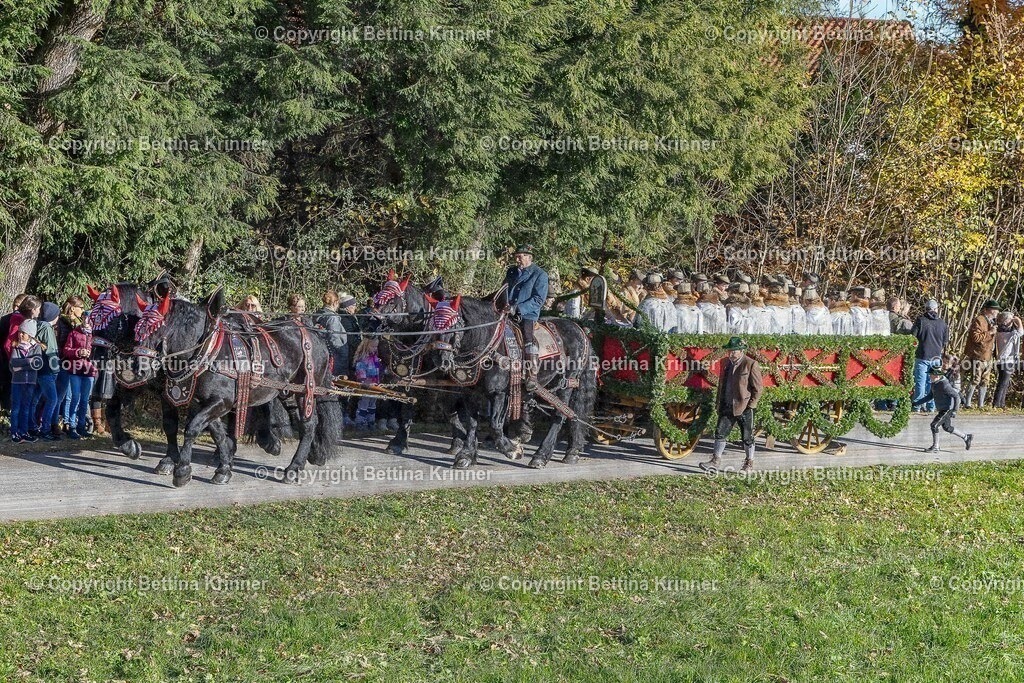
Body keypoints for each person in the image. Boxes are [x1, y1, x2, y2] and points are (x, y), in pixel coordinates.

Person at [700, 336, 763, 473]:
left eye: (734, 351)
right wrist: (720, 402)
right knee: (720, 433)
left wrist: (751, 405)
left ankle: (749, 463)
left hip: (744, 407)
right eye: (729, 351)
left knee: (747, 437)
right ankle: (715, 461)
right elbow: (722, 384)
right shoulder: (725, 363)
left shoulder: (750, 364)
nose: (731, 354)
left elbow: (758, 388)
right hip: (727, 404)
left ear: (741, 351)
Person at [504, 244, 549, 391]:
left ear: (529, 257)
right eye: (516, 257)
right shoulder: (511, 271)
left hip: (527, 314)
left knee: (527, 337)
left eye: (520, 257)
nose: (517, 260)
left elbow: (538, 299)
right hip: (506, 310)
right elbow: (503, 290)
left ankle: (531, 374)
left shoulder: (540, 274)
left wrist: (518, 308)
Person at [912, 354, 973, 452]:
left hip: (948, 409)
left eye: (931, 375)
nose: (929, 377)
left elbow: (956, 396)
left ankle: (936, 447)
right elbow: (930, 396)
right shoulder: (934, 383)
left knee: (934, 425)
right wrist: (916, 403)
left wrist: (954, 411)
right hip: (942, 408)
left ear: (937, 375)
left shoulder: (944, 385)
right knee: (947, 427)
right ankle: (966, 437)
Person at [910, 299, 949, 413]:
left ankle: (917, 406)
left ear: (925, 309)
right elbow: (945, 341)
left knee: (920, 382)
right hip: (936, 357)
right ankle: (931, 407)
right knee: (934, 383)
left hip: (922, 356)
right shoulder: (942, 323)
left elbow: (912, 337)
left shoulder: (920, 321)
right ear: (936, 309)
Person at [62, 315, 97, 439]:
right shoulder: (74, 333)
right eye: (84, 318)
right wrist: (78, 352)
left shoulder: (95, 335)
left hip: (89, 370)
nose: (86, 321)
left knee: (85, 400)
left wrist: (91, 354)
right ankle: (71, 426)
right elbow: (66, 350)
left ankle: (81, 426)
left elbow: (100, 352)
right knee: (75, 398)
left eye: (89, 319)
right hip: (75, 370)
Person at [9, 319, 43, 442]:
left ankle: (24, 431)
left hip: (30, 382)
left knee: (26, 407)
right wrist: (29, 361)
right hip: (17, 382)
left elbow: (38, 364)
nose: (20, 335)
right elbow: (13, 363)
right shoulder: (16, 347)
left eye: (23, 333)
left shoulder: (36, 348)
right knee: (16, 407)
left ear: (30, 335)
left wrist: (21, 367)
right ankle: (14, 432)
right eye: (20, 332)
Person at [962, 299, 1000, 409]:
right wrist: (990, 332)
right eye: (995, 310)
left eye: (997, 310)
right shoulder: (979, 320)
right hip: (978, 355)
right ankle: (968, 404)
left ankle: (981, 405)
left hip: (988, 356)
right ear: (987, 310)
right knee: (975, 379)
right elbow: (976, 337)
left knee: (985, 381)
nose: (997, 312)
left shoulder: (992, 321)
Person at [35, 302, 63, 440]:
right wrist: (55, 368)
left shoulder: (39, 325)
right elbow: (51, 350)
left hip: (39, 368)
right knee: (52, 399)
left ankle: (32, 426)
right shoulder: (47, 328)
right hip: (47, 368)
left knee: (36, 399)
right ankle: (45, 429)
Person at [0, 293, 29, 412]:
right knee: (8, 386)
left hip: (13, 357)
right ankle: (6, 410)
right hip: (7, 357)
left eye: (18, 306)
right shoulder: (8, 319)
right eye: (15, 306)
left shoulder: (24, 321)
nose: (16, 309)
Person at [316, 290, 349, 380]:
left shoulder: (317, 315)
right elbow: (334, 340)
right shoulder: (332, 318)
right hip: (335, 359)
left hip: (321, 355)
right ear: (335, 303)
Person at [993, 310, 1023, 409]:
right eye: (1010, 319)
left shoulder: (1001, 331)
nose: (1012, 321)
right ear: (1005, 321)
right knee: (1003, 383)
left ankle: (1001, 404)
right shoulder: (1005, 333)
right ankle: (996, 403)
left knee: (1004, 383)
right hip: (1006, 361)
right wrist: (1019, 321)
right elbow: (1021, 332)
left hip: (1004, 361)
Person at [353, 338, 382, 429]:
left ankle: (371, 421)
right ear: (366, 346)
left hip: (375, 386)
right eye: (373, 346)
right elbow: (360, 372)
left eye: (376, 347)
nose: (375, 348)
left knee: (372, 404)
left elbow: (378, 370)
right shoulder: (362, 359)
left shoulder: (375, 358)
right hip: (366, 386)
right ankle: (360, 422)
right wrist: (364, 381)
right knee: (364, 404)